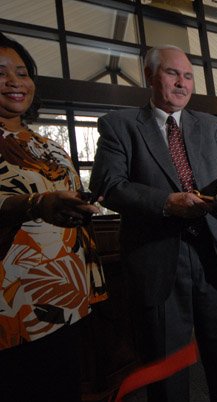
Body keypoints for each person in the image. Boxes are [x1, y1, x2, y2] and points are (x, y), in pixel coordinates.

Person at [90, 44, 217, 402]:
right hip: (159, 264)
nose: (182, 82)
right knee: (167, 370)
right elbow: (107, 186)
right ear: (150, 76)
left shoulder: (210, 124)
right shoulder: (119, 125)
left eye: (188, 75)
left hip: (214, 258)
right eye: (173, 73)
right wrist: (166, 203)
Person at [0, 33, 107, 402]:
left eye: (23, 71)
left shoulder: (47, 144)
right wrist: (34, 205)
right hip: (14, 299)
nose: (15, 81)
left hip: (66, 293)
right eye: (1, 72)